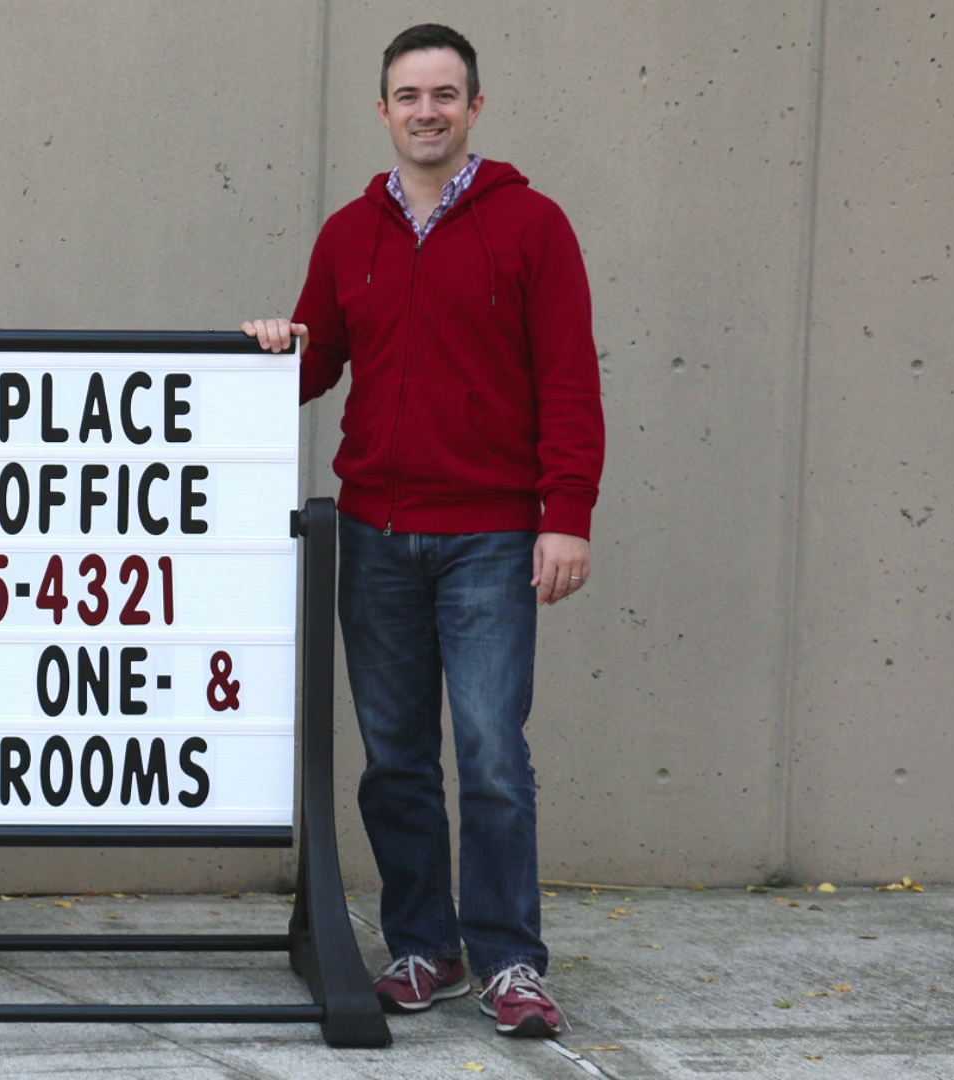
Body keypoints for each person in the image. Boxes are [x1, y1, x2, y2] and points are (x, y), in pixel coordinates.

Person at [243, 23, 603, 1038]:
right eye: (410, 95)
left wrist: (564, 514)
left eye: (447, 95)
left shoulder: (532, 225)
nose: (428, 111)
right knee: (395, 758)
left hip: (490, 536)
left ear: (475, 108)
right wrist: (276, 346)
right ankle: (424, 947)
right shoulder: (349, 234)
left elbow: (569, 379)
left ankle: (510, 961)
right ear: (385, 110)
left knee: (491, 753)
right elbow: (318, 364)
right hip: (376, 533)